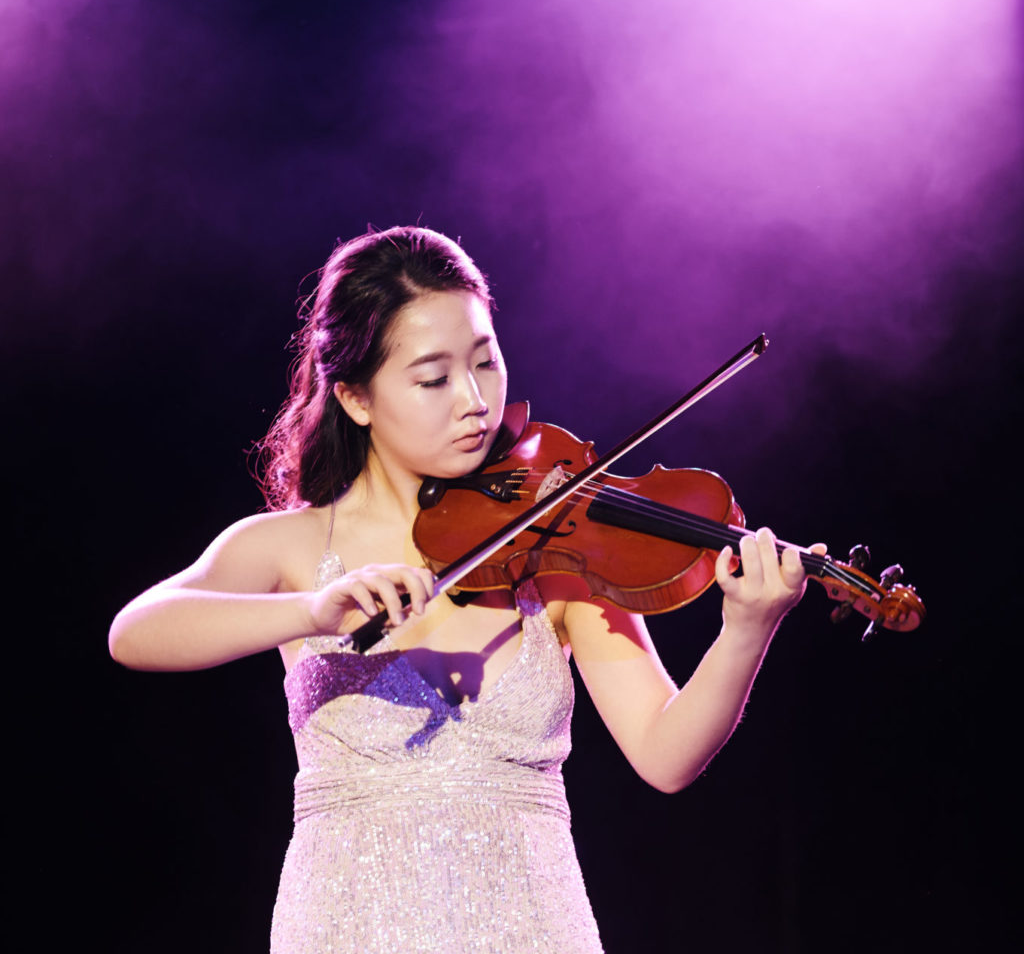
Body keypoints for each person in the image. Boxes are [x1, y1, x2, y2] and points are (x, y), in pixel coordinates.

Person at [109, 226, 823, 953]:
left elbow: (665, 756)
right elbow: (137, 632)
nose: (475, 400)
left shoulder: (550, 548)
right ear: (355, 398)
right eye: (433, 378)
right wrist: (309, 609)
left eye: (486, 362)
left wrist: (745, 629)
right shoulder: (290, 546)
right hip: (345, 925)